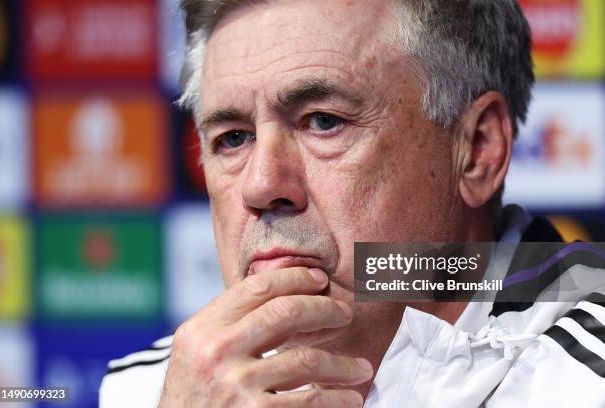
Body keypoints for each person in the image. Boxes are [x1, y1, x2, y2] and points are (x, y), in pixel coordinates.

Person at [100, 0, 605, 406]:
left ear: (474, 151)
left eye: (323, 121)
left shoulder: (584, 382)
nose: (260, 185)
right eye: (234, 138)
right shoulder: (155, 390)